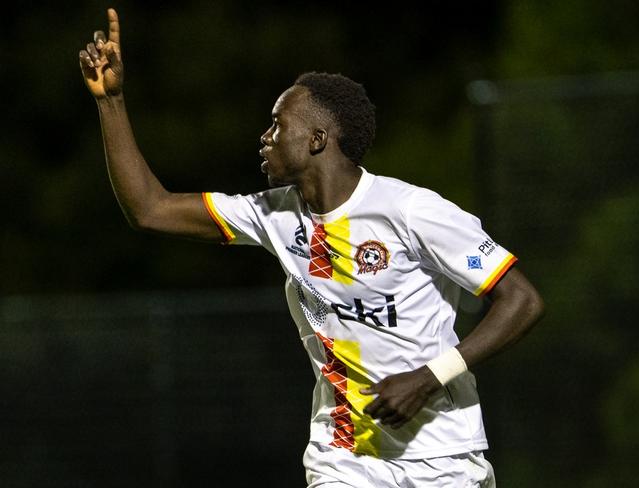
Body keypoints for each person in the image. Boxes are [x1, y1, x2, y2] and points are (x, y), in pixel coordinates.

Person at [79, 8, 544, 487]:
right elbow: (150, 208)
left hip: (442, 455)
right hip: (343, 456)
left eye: (278, 125)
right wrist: (111, 101)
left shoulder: (411, 210)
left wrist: (429, 377)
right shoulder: (272, 214)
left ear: (318, 139)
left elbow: (522, 300)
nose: (265, 138)